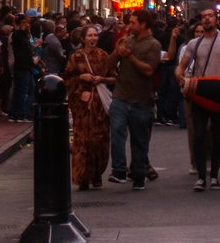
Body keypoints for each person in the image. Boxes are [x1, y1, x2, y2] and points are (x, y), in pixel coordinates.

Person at [178, 9, 220, 190]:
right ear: (201, 20)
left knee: (218, 136)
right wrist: (180, 76)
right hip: (200, 93)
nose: (207, 19)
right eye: (204, 16)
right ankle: (201, 176)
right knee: (199, 135)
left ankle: (214, 175)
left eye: (210, 16)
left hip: (219, 94)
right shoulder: (194, 43)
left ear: (215, 20)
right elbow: (182, 66)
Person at [106, 12, 161, 189]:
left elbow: (148, 70)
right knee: (117, 132)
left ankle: (138, 174)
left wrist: (130, 57)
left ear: (144, 25)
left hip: (141, 100)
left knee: (139, 140)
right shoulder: (127, 40)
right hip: (121, 97)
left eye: (133, 23)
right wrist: (117, 51)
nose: (129, 26)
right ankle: (119, 170)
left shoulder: (153, 45)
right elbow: (108, 64)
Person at [65, 30, 113, 190]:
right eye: (90, 36)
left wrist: (102, 79)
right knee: (82, 140)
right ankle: (82, 177)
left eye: (95, 35)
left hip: (99, 105)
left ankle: (97, 173)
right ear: (83, 38)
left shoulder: (103, 55)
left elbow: (114, 76)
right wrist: (80, 78)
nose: (93, 38)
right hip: (81, 105)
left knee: (100, 140)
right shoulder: (76, 57)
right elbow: (66, 79)